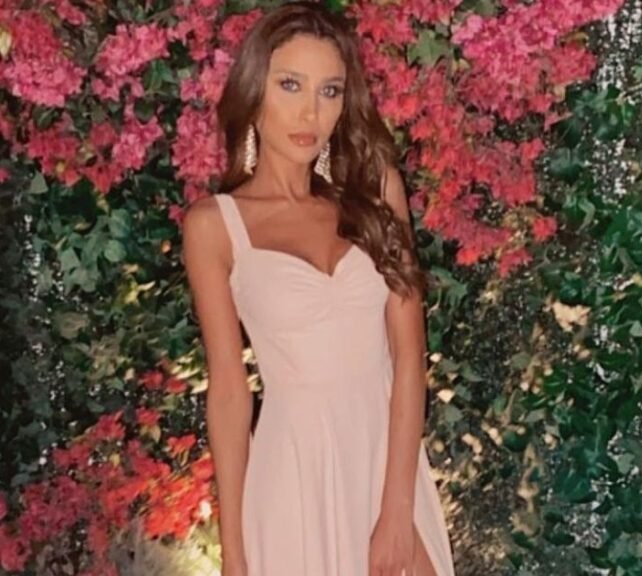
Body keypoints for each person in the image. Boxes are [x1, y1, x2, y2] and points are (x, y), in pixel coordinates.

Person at [181, 3, 456, 575]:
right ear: (254, 92)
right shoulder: (215, 226)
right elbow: (229, 393)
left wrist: (396, 510)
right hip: (293, 480)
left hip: (388, 465)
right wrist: (235, 556)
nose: (311, 111)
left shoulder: (377, 192)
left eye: (329, 91)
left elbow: (409, 358)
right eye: (290, 85)